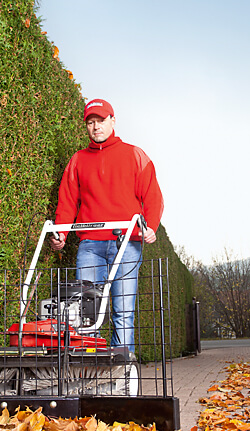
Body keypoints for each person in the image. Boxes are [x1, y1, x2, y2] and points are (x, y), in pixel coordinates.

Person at [48, 98, 164, 355]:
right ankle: (93, 372)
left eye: (101, 120)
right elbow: (67, 202)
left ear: (113, 120)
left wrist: (151, 226)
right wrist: (62, 234)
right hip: (90, 245)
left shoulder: (135, 155)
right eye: (90, 122)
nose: (96, 126)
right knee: (87, 313)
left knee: (123, 312)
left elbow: (153, 196)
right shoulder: (78, 160)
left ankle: (122, 376)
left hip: (126, 245)